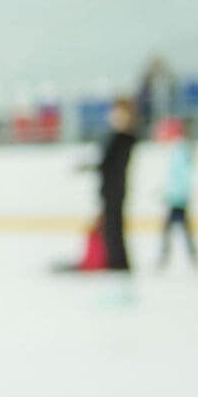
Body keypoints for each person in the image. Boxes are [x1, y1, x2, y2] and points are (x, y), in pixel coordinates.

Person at [80, 96, 138, 273]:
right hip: (109, 189)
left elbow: (108, 163)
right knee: (111, 226)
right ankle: (115, 260)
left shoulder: (124, 138)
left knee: (114, 227)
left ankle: (118, 262)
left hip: (116, 189)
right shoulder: (115, 137)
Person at [156, 116, 198, 270]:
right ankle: (192, 257)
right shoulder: (180, 149)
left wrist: (173, 194)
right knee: (181, 229)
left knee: (170, 229)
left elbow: (180, 177)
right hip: (178, 196)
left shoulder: (179, 151)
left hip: (177, 198)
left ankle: (164, 258)